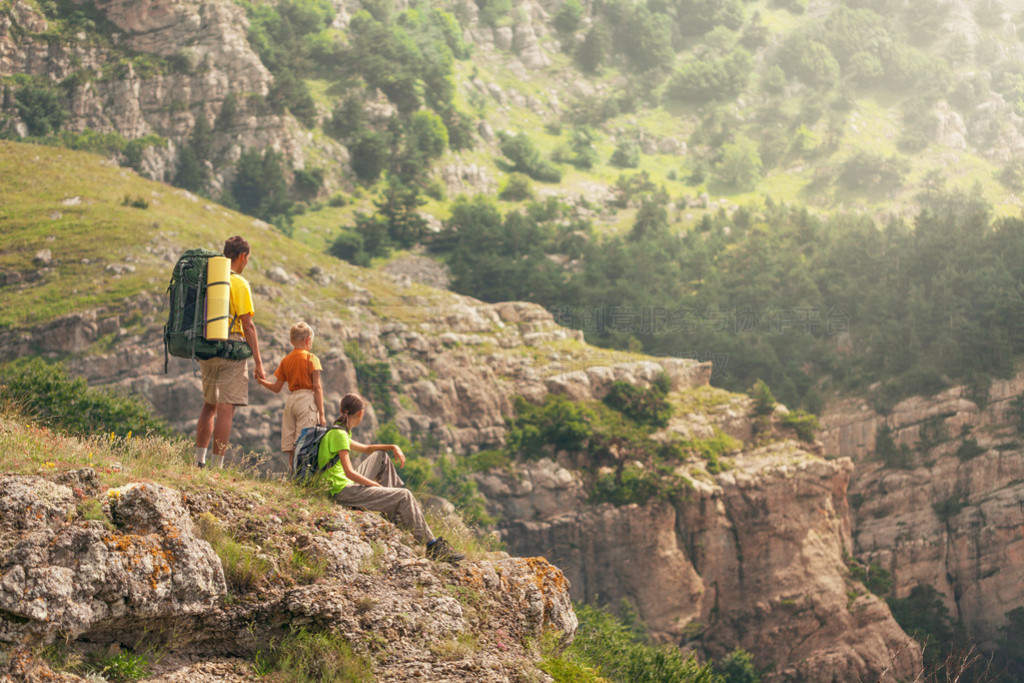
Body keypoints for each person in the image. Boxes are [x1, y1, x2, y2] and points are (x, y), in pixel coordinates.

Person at [319, 393, 464, 563]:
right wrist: (374, 485)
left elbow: (367, 449)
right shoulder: (339, 435)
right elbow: (350, 472)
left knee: (381, 456)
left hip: (341, 484)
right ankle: (433, 547)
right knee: (404, 495)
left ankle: (393, 512)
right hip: (340, 491)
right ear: (360, 414)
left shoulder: (338, 430)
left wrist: (392, 447)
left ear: (341, 410)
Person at [194, 235, 265, 468]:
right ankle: (218, 465)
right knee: (226, 407)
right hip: (232, 347)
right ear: (242, 256)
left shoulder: (210, 278)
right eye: (247, 259)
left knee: (209, 404)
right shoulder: (240, 283)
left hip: (208, 345)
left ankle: (199, 461)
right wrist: (258, 361)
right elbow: (248, 325)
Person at [257, 321, 326, 472]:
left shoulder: (286, 360)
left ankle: (292, 474)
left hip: (291, 401)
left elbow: (276, 388)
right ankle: (302, 477)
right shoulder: (311, 358)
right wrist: (321, 414)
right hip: (306, 400)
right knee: (305, 441)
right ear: (308, 340)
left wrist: (262, 381)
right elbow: (317, 387)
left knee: (291, 445)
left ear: (291, 341)